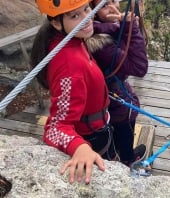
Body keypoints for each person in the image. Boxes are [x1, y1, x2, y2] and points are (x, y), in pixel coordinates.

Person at [31, 0, 114, 184]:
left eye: (87, 9)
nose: (87, 18)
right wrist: (81, 148)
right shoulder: (70, 67)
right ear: (56, 22)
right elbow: (54, 128)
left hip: (97, 124)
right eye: (75, 16)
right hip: (91, 136)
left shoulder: (70, 39)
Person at [85, 0, 148, 166]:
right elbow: (140, 67)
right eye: (104, 5)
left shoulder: (109, 28)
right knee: (124, 124)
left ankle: (118, 153)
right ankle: (128, 159)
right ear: (93, 11)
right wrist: (130, 25)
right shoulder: (100, 43)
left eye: (113, 0)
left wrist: (125, 24)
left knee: (118, 127)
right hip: (113, 96)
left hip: (110, 91)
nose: (113, 7)